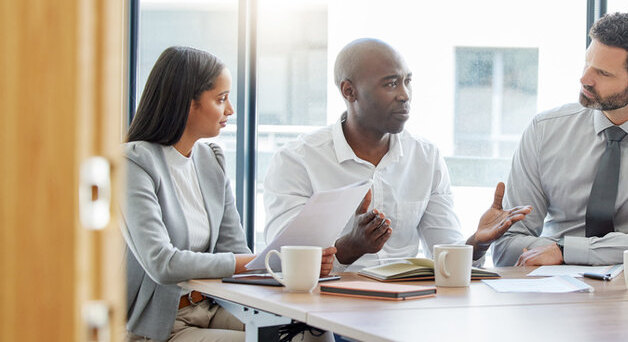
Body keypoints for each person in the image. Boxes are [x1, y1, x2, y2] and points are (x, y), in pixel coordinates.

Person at [122, 46, 336, 341]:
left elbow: (235, 250)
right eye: (221, 99)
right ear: (187, 103)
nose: (231, 110)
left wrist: (290, 264)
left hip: (212, 305)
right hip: (163, 323)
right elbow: (162, 263)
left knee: (313, 331)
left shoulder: (210, 160)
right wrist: (267, 259)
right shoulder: (134, 164)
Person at [263, 38, 532, 271]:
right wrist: (351, 247)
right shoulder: (297, 160)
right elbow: (278, 264)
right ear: (349, 91)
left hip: (405, 309)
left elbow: (447, 257)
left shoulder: (426, 157)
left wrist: (478, 242)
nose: (405, 95)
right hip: (321, 311)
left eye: (407, 82)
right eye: (391, 84)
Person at [492, 9, 628, 267]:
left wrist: (565, 250)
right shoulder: (545, 129)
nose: (584, 79)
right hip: (551, 291)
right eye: (587, 63)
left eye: (603, 74)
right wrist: (560, 250)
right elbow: (507, 246)